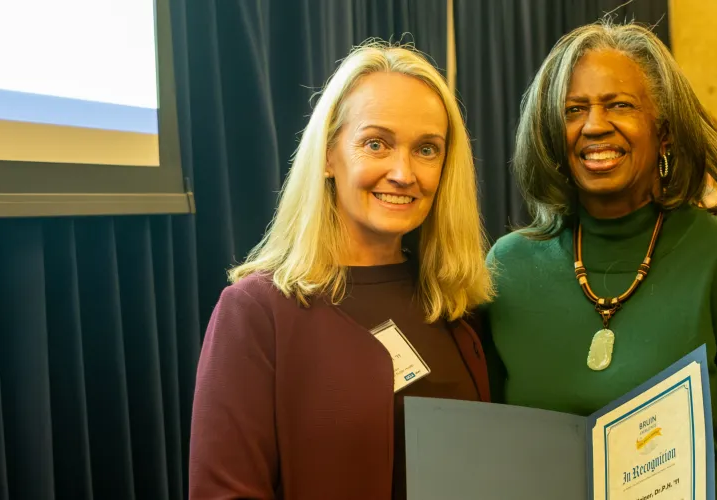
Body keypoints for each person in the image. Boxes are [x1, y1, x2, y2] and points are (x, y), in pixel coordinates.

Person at [482, 21, 717, 499]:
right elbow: (483, 442)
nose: (594, 125)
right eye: (574, 110)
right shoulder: (509, 268)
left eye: (619, 105)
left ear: (666, 131)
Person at [188, 41, 494, 500]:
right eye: (376, 144)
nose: (403, 172)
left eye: (426, 149)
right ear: (329, 155)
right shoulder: (256, 311)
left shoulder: (454, 304)